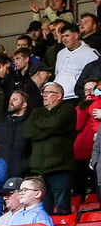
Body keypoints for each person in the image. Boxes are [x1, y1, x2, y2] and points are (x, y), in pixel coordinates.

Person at [25, 82, 76, 215]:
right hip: (38, 171)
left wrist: (39, 126)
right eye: (44, 92)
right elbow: (28, 132)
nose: (44, 95)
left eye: (48, 92)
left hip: (60, 169)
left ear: (58, 95)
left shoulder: (68, 109)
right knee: (42, 212)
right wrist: (50, 130)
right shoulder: (37, 111)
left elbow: (57, 123)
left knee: (63, 209)